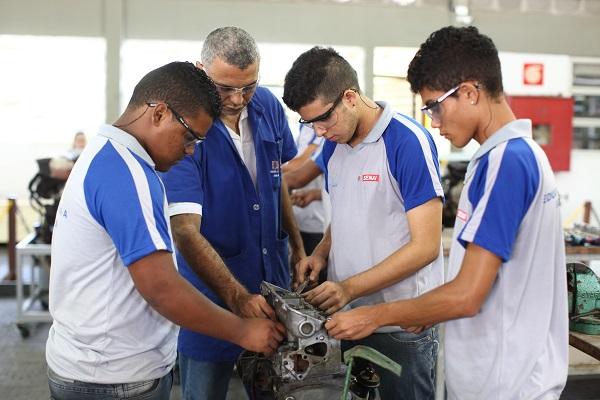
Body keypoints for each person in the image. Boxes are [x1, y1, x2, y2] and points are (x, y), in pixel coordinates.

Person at [325, 26, 569, 400]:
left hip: (507, 383)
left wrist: (374, 315)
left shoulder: (506, 162)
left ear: (470, 92)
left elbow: (468, 295)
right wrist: (425, 309)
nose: (433, 121)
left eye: (435, 106)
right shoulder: (520, 154)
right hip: (509, 373)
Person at [45, 61, 285, 400]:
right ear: (158, 114)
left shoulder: (106, 154)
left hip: (95, 363)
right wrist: (243, 331)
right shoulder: (127, 175)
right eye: (189, 137)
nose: (189, 151)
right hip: (113, 378)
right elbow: (160, 288)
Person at [282, 46, 445, 400]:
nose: (320, 132)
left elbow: (426, 246)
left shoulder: (406, 141)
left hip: (401, 323)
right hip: (348, 318)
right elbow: (343, 215)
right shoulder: (333, 146)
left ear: (350, 97)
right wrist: (321, 253)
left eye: (324, 119)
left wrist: (350, 287)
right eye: (310, 124)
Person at [160, 27, 304, 400]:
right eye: (225, 88)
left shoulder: (268, 106)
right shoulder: (183, 128)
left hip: (272, 283)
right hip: (211, 297)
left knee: (277, 389)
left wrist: (297, 245)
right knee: (205, 392)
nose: (238, 99)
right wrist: (237, 298)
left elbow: (277, 180)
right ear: (199, 70)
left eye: (248, 86)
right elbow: (185, 231)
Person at [283, 124, 326, 255]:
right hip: (302, 218)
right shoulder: (304, 126)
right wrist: (316, 194)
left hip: (319, 222)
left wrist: (265, 175)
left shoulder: (324, 131)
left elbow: (298, 174)